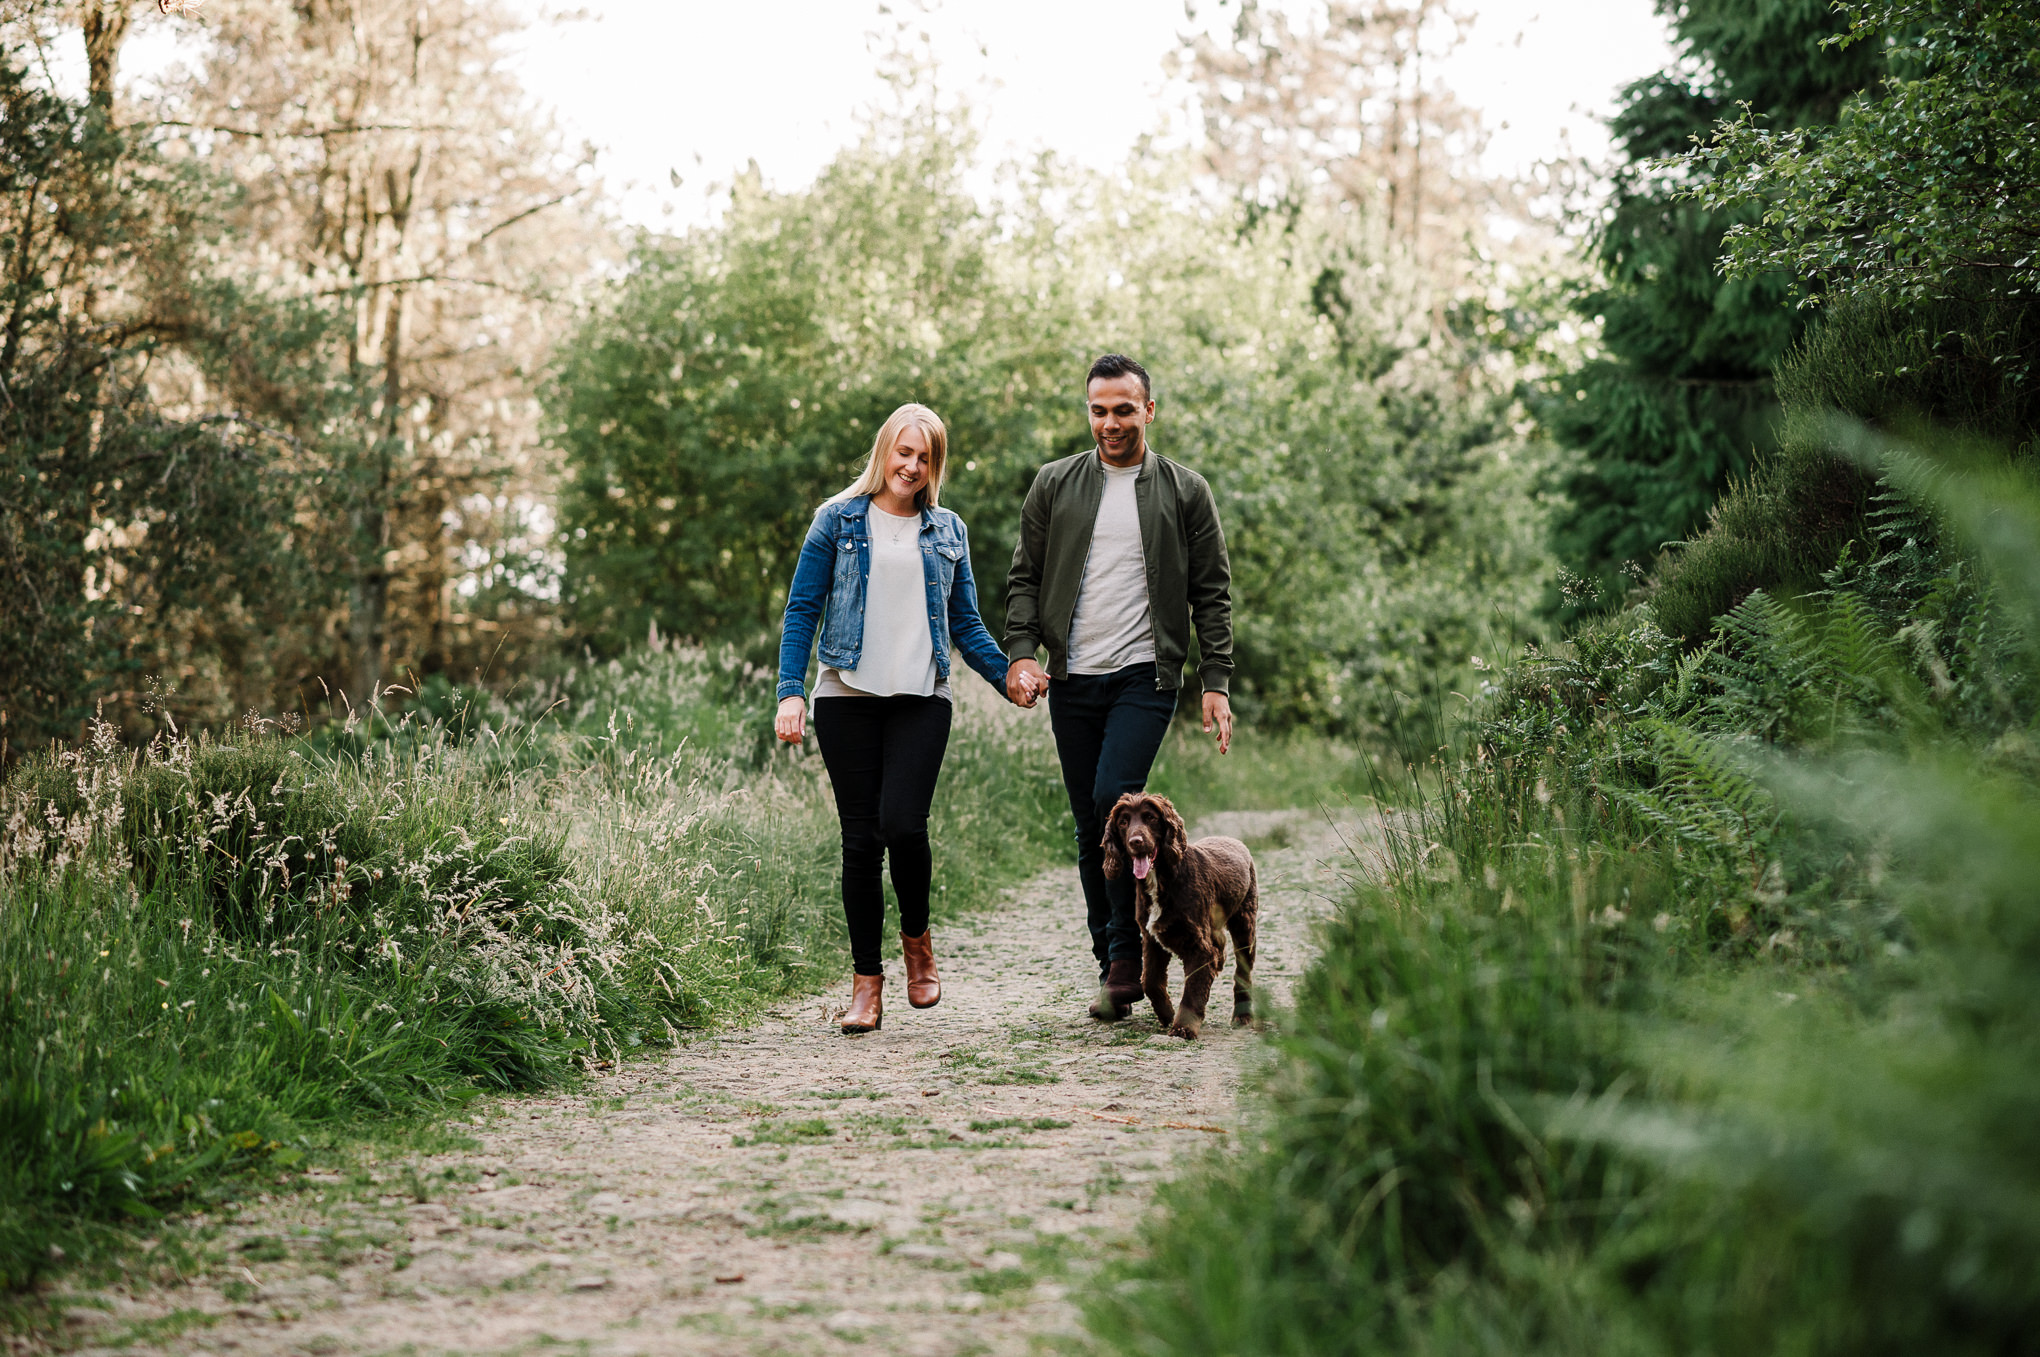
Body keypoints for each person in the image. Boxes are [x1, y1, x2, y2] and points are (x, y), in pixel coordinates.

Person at [1003, 354, 1235, 1021]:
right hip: (1072, 676)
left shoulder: (1185, 490)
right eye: (1099, 410)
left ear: (1149, 410)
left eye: (1124, 409)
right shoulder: (1054, 485)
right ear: (1089, 413)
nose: (1110, 422)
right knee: (1089, 826)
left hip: (1145, 674)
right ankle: (1116, 958)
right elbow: (1024, 578)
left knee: (1112, 798)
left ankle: (1131, 949)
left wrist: (1214, 681)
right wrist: (1022, 654)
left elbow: (1212, 591)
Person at [775, 403, 1013, 1035]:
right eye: (903, 452)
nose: (911, 466)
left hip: (920, 697)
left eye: (925, 457)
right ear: (884, 450)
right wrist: (788, 692)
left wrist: (1007, 676)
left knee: (903, 825)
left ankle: (918, 945)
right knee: (861, 841)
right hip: (845, 695)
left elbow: (965, 624)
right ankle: (865, 987)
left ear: (935, 465)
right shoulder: (836, 520)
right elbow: (802, 609)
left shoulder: (947, 530)